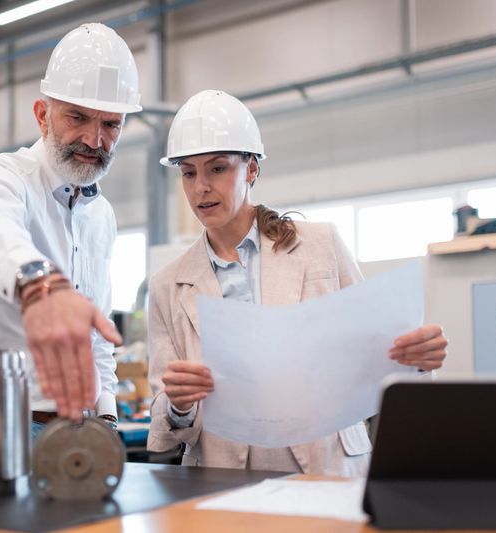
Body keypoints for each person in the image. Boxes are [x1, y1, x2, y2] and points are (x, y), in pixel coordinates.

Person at [146, 90, 448, 475]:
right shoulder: (168, 285)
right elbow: (164, 426)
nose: (200, 187)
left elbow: (377, 358)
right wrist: (178, 404)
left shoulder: (321, 246)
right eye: (188, 172)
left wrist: (418, 362)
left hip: (328, 466)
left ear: (252, 169)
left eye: (217, 168)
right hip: (223, 475)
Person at [0, 23, 142, 432]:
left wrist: (107, 413)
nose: (94, 140)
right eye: (78, 117)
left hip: (79, 429)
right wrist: (42, 287)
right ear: (43, 115)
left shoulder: (101, 214)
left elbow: (97, 330)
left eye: (111, 124)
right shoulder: (1, 177)